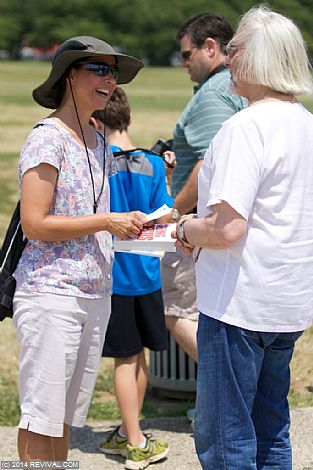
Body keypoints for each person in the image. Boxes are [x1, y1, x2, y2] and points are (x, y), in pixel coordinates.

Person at [174, 6, 313, 469]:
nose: (229, 59)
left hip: (239, 305)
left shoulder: (245, 128)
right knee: (272, 426)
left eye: (235, 50)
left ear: (261, 59)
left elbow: (227, 228)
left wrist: (185, 228)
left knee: (226, 436)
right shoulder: (305, 123)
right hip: (289, 303)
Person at [12, 36, 146, 461]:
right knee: (41, 417)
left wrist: (132, 227)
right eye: (99, 69)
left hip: (94, 294)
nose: (110, 80)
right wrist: (107, 222)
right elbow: (35, 224)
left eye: (114, 72)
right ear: (71, 74)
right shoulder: (47, 138)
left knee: (66, 418)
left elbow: (88, 213)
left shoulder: (97, 139)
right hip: (52, 295)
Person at [92, 87, 172, 469]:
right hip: (148, 276)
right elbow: (166, 214)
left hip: (114, 279)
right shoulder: (155, 164)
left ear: (96, 122)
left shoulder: (95, 165)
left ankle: (134, 440)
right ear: (129, 119)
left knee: (124, 360)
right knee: (139, 357)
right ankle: (129, 430)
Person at [161, 12, 247, 364]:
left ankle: (230, 391)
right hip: (233, 222)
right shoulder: (237, 87)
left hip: (201, 225)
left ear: (210, 47)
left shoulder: (211, 95)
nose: (183, 63)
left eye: (186, 54)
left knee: (177, 311)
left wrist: (174, 211)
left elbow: (208, 162)